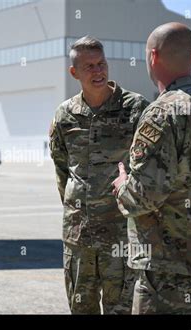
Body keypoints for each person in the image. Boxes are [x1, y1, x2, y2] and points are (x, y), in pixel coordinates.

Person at [112, 22, 191, 314]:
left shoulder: (161, 113)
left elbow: (145, 195)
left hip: (171, 267)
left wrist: (122, 187)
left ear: (153, 57)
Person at [49, 36, 149, 314]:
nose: (98, 71)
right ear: (74, 72)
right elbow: (62, 169)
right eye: (89, 66)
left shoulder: (135, 108)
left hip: (122, 236)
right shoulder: (65, 116)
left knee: (122, 309)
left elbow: (151, 168)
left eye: (101, 63)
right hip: (78, 237)